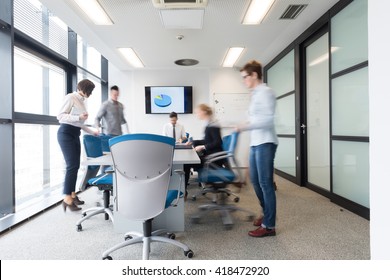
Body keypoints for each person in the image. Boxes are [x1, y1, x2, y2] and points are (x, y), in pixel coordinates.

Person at [237, 60, 278, 238]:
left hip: (266, 142)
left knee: (265, 184)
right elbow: (255, 119)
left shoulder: (266, 92)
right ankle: (266, 213)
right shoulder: (255, 94)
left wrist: (245, 126)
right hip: (256, 143)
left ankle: (269, 225)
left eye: (245, 77)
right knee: (255, 181)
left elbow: (268, 120)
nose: (244, 80)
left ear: (254, 75)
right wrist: (242, 125)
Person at [57, 79, 98, 212]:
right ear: (84, 89)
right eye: (90, 91)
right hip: (66, 133)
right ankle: (67, 198)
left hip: (75, 133)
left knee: (76, 165)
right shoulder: (71, 97)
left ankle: (73, 195)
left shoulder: (82, 102)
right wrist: (78, 117)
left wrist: (93, 132)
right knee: (72, 165)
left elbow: (80, 124)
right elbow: (60, 116)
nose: (90, 94)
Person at [183, 104, 224, 198]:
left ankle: (183, 192)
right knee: (187, 163)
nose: (197, 114)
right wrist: (193, 142)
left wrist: (203, 147)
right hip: (211, 156)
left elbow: (218, 142)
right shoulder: (209, 123)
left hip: (213, 159)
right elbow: (208, 140)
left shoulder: (213, 125)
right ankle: (183, 191)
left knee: (186, 164)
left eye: (198, 112)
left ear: (204, 112)